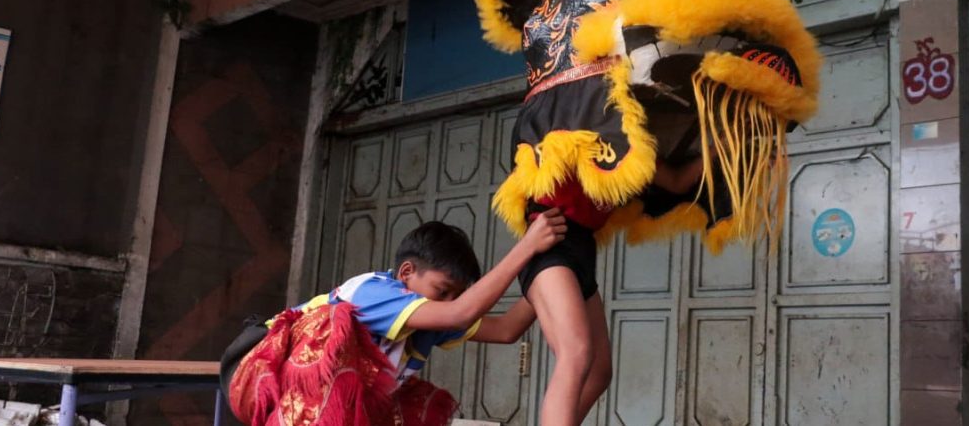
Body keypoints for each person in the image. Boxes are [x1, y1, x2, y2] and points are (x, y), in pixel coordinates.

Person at [222, 210, 566, 426]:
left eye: (455, 295)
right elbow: (461, 311)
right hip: (259, 373)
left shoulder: (430, 322)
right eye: (442, 289)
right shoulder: (371, 291)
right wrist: (526, 249)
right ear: (406, 273)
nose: (448, 301)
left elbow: (507, 329)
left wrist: (552, 269)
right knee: (332, 323)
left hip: (332, 407)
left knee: (403, 404)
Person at [519, 157, 705, 426]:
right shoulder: (573, 129)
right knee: (576, 352)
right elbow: (535, 116)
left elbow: (677, 182)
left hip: (582, 254)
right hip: (549, 246)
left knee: (599, 373)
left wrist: (724, 146)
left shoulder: (632, 149)